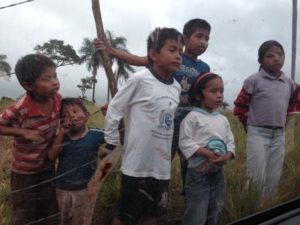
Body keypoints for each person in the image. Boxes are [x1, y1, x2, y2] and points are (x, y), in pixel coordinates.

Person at [95, 18, 211, 190]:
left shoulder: (205, 67)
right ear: (185, 38)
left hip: (192, 121)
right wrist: (111, 51)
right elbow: (137, 60)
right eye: (199, 36)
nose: (203, 42)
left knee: (192, 161)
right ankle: (150, 188)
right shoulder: (170, 56)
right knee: (162, 155)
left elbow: (205, 94)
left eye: (207, 38)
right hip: (167, 118)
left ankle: (190, 194)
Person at [104, 27, 183, 225]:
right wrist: (112, 141)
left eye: (180, 51)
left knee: (152, 216)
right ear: (154, 54)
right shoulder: (140, 79)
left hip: (161, 166)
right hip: (136, 166)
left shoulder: (176, 87)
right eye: (172, 50)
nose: (178, 56)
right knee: (125, 217)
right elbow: (115, 109)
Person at [0, 54, 61, 225]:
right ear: (28, 86)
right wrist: (22, 133)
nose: (55, 82)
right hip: (24, 172)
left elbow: (67, 114)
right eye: (47, 78)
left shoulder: (57, 99)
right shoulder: (21, 108)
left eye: (55, 76)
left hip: (47, 167)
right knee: (24, 214)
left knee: (50, 210)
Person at [234, 40, 298, 199]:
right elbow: (240, 106)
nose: (276, 58)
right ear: (261, 60)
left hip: (279, 134)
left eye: (280, 55)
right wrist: (248, 127)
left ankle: (268, 208)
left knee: (273, 176)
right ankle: (251, 209)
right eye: (270, 55)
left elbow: (294, 102)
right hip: (258, 133)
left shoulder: (289, 83)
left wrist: (287, 120)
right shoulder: (253, 80)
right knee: (256, 176)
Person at [179, 72, 235, 225]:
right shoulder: (192, 117)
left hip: (218, 174)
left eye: (221, 91)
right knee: (196, 214)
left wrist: (227, 156)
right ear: (199, 95)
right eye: (213, 91)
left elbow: (230, 141)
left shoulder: (223, 119)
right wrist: (206, 152)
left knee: (215, 212)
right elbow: (184, 142)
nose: (219, 96)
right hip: (198, 176)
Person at [48, 97, 105, 225]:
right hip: (62, 189)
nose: (71, 116)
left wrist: (109, 115)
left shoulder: (95, 135)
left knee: (82, 221)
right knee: (63, 221)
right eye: (65, 115)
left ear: (87, 115)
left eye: (75, 111)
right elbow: (51, 157)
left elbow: (117, 137)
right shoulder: (61, 137)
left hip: (85, 190)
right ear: (62, 121)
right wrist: (62, 133)